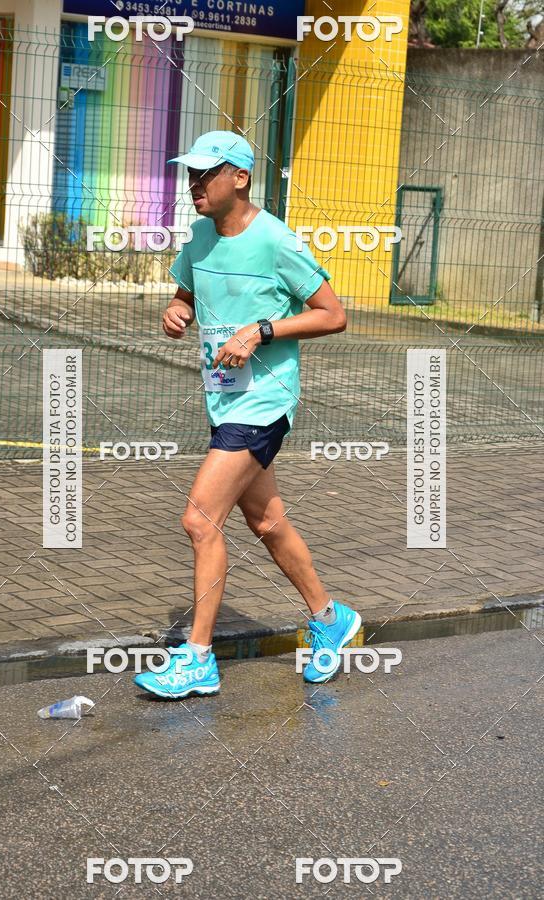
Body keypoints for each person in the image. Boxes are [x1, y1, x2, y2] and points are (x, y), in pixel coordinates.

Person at [134, 131, 361, 699]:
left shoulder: (275, 241)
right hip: (223, 397)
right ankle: (330, 618)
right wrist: (176, 310)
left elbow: (333, 315)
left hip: (264, 402)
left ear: (240, 177)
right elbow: (187, 291)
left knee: (199, 519)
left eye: (204, 174)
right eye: (189, 175)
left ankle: (198, 659)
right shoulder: (200, 237)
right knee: (266, 523)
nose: (193, 186)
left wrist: (263, 330)